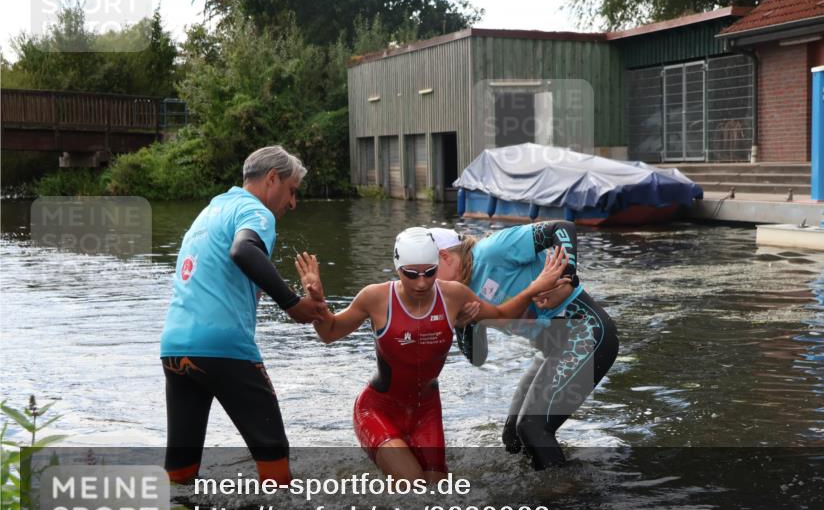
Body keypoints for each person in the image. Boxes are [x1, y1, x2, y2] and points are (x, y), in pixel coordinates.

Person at [294, 227, 568, 483]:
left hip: (426, 411)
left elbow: (501, 315)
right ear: (397, 268)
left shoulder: (454, 295)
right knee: (411, 483)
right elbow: (329, 333)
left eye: (430, 272)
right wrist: (318, 303)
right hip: (378, 410)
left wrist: (535, 287)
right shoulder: (375, 298)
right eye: (411, 274)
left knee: (437, 497)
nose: (422, 283)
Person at [160, 146, 328, 485]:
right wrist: (293, 304)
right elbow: (243, 250)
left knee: (180, 467)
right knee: (275, 458)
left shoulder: (210, 212)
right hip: (223, 348)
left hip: (175, 348)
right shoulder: (256, 212)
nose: (292, 203)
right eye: (292, 191)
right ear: (271, 179)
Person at [429, 222, 619, 470]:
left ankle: (563, 497)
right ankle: (539, 487)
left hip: (588, 332)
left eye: (428, 273)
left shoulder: (491, 250)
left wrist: (566, 278)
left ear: (444, 257)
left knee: (533, 427)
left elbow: (561, 229)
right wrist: (463, 324)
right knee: (513, 438)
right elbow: (478, 357)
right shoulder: (459, 295)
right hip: (553, 351)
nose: (424, 284)